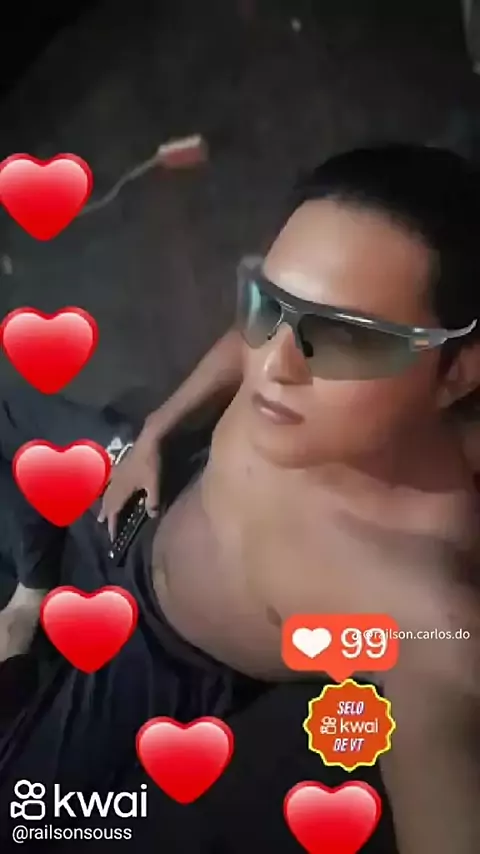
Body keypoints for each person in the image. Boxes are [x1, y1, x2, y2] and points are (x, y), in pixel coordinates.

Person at [0, 143, 479, 854]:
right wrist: (158, 431)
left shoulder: (423, 613)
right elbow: (245, 341)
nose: (273, 367)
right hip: (153, 489)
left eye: (342, 337)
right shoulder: (285, 361)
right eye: (271, 305)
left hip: (161, 650)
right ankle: (31, 594)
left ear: (457, 372)